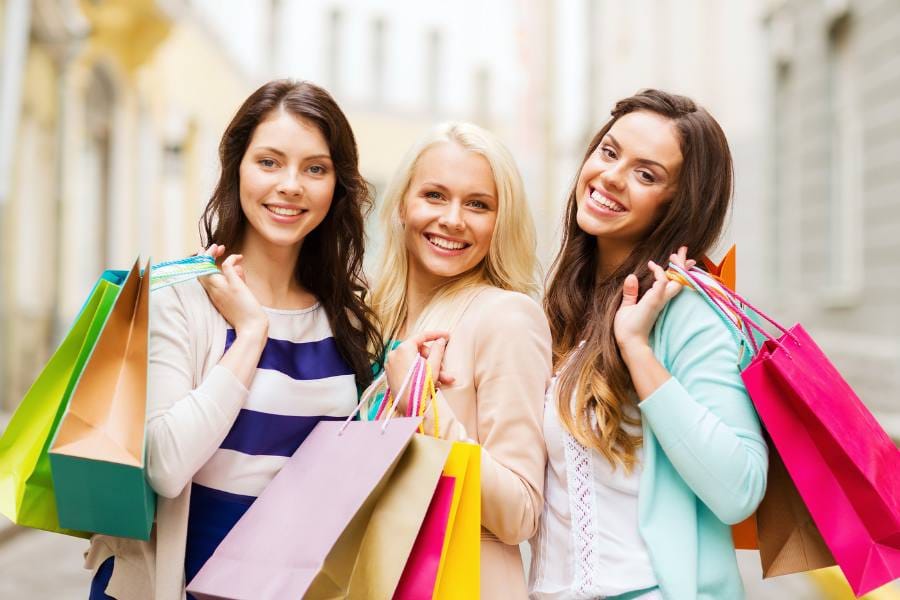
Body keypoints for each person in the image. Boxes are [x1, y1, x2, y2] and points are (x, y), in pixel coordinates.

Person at [86, 79, 381, 600]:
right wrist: (250, 335)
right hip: (180, 582)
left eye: (315, 168)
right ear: (236, 168)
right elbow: (166, 465)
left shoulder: (349, 319)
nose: (291, 185)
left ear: (337, 185)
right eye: (269, 162)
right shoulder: (179, 295)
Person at [529, 89, 768, 600]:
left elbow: (739, 489)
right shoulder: (567, 301)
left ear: (678, 206)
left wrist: (636, 349)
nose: (611, 177)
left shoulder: (690, 314)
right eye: (609, 152)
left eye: (646, 174)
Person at [370, 122, 552, 599]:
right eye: (434, 195)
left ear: (501, 221)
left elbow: (519, 513)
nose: (453, 219)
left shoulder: (507, 318)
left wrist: (420, 400)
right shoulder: (372, 317)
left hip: (459, 582)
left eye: (478, 204)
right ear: (403, 205)